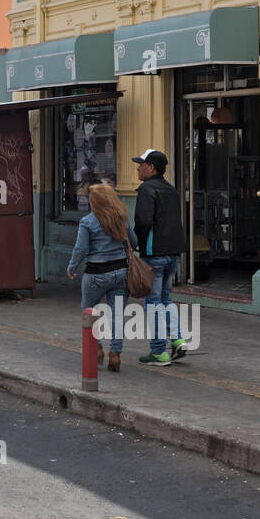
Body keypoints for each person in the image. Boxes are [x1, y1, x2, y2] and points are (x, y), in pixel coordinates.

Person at [67, 183, 138, 373]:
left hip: (95, 275)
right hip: (120, 272)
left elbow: (80, 249)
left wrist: (72, 267)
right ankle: (115, 354)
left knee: (89, 312)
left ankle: (96, 349)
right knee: (117, 315)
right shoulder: (121, 218)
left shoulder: (88, 222)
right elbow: (134, 241)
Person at [132, 148, 189, 366]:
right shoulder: (170, 189)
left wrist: (136, 242)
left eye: (141, 164)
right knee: (165, 299)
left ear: (152, 167)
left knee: (153, 303)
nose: (138, 168)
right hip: (172, 254)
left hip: (153, 254)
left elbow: (144, 221)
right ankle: (178, 339)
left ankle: (158, 351)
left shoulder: (147, 189)